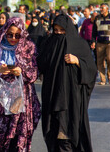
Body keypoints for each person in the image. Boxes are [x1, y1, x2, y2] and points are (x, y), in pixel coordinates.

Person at [37, 14, 97, 152]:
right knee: (53, 132)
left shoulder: (79, 44)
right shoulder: (49, 42)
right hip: (52, 93)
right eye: (56, 30)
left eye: (61, 30)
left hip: (71, 96)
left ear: (68, 29)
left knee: (67, 134)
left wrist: (77, 61)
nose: (58, 33)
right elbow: (40, 63)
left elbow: (92, 70)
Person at [0, 17, 41, 151]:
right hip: (0, 98)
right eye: (10, 34)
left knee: (19, 133)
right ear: (4, 32)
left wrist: (21, 71)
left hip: (21, 97)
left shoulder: (28, 47)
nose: (13, 38)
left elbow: (34, 71)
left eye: (17, 35)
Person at [91, 3, 110, 85]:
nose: (101, 10)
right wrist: (93, 41)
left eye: (102, 8)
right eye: (100, 8)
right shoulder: (97, 18)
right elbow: (94, 31)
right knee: (100, 61)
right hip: (100, 42)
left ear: (107, 9)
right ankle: (102, 79)